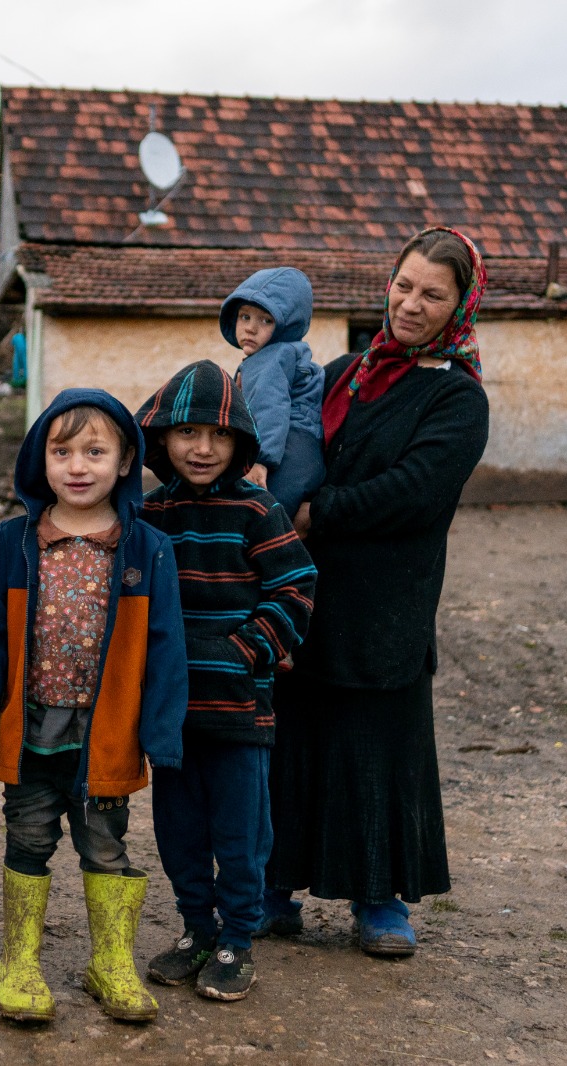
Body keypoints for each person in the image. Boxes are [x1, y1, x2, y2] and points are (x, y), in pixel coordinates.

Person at [265, 227, 490, 958]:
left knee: (375, 750)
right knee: (293, 744)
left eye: (434, 295)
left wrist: (316, 512)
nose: (411, 304)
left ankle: (379, 899)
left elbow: (415, 492)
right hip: (305, 596)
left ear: (461, 307)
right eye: (404, 285)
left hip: (387, 604)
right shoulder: (343, 374)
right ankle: (272, 889)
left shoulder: (458, 397)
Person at [0, 389, 188, 1025]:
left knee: (106, 847)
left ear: (124, 461)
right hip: (32, 732)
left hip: (106, 735)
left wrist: (161, 735)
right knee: (28, 838)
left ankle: (110, 962)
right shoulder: (13, 542)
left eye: (95, 452)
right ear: (40, 459)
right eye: (62, 452)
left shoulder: (147, 550)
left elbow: (166, 649)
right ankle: (19, 962)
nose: (77, 466)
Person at [133, 361, 316, 1002]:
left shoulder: (257, 510)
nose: (202, 448)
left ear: (240, 441)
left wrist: (247, 651)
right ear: (161, 438)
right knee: (178, 832)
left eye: (218, 434)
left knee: (241, 836)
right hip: (170, 713)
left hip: (240, 709)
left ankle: (238, 937)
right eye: (187, 432)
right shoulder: (150, 513)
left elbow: (295, 587)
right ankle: (196, 929)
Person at [219, 267, 325, 518]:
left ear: (287, 325)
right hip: (303, 451)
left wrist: (261, 460)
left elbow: (270, 406)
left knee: (264, 518)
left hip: (285, 449)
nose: (251, 328)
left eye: (266, 320)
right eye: (245, 317)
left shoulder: (273, 357)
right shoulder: (287, 354)